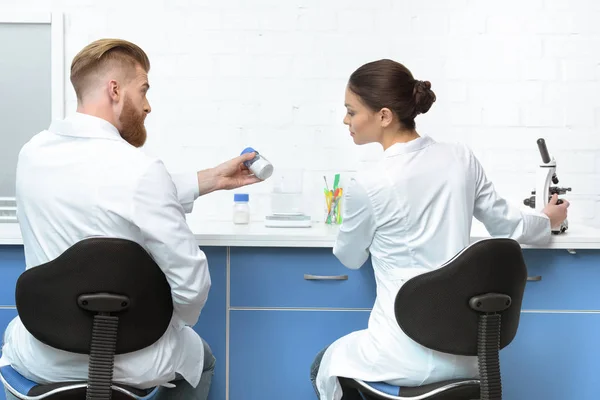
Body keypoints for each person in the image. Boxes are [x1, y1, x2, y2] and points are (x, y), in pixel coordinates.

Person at [0, 38, 261, 400]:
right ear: (115, 90)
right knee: (204, 360)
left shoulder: (31, 154)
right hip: (133, 359)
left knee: (12, 345)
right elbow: (192, 285)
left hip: (45, 354)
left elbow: (102, 189)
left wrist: (211, 179)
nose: (148, 105)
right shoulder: (139, 169)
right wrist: (164, 326)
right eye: (144, 90)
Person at [310, 59, 569, 400]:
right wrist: (549, 218)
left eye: (351, 111)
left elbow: (349, 257)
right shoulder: (460, 157)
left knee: (322, 366)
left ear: (384, 116)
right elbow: (510, 224)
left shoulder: (369, 184)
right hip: (470, 357)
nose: (346, 120)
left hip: (401, 356)